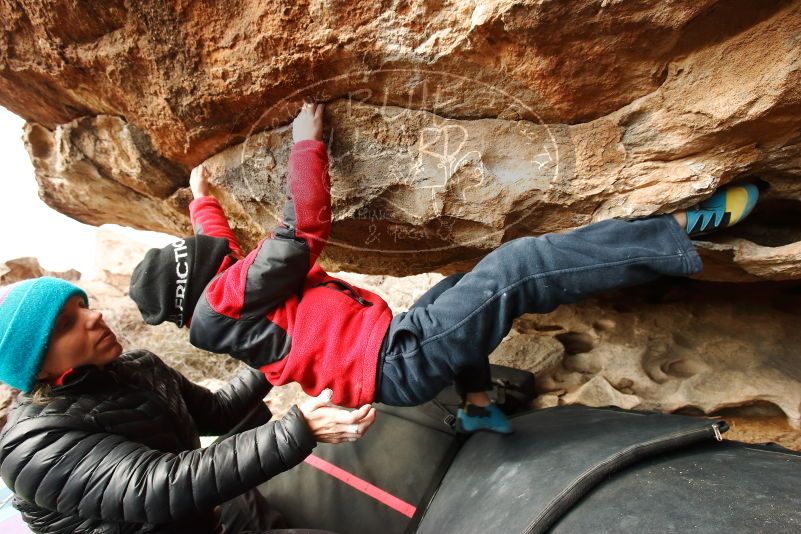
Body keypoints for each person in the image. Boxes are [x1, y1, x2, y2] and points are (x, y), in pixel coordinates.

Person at [129, 102, 759, 434]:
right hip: (400, 356)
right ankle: (675, 233)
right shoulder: (228, 294)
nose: (224, 251)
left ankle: (480, 405)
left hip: (393, 367)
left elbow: (218, 254)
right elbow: (300, 235)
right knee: (517, 268)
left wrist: (202, 197)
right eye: (211, 257)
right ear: (198, 279)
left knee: (458, 289)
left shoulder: (214, 311)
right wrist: (306, 144)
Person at [0, 276, 376, 533]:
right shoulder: (33, 444)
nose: (94, 316)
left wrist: (283, 350)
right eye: (68, 323)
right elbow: (154, 487)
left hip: (201, 516)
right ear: (35, 365)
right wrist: (299, 429)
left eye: (83, 306)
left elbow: (216, 411)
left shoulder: (138, 368)